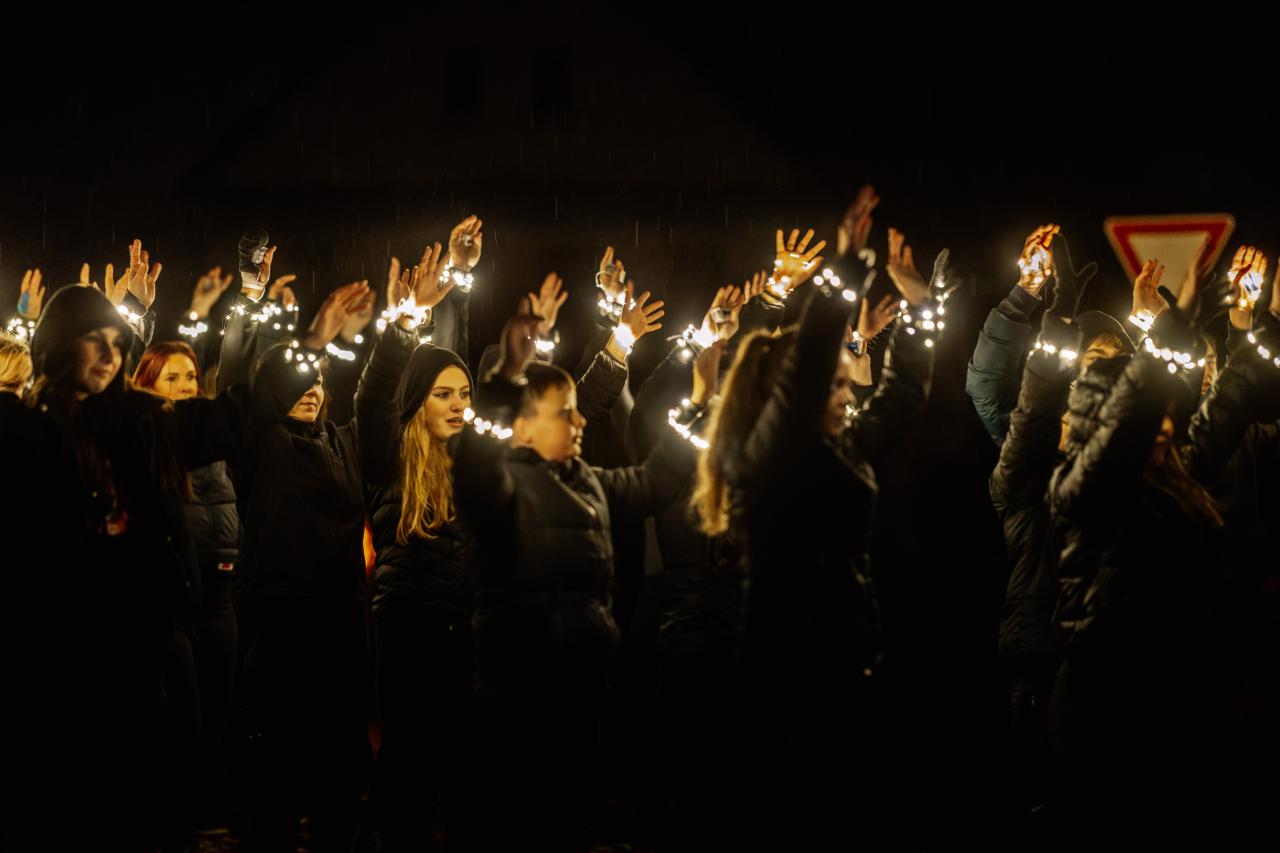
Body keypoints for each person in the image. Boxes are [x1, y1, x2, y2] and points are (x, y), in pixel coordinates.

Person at [693, 224, 938, 846]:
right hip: (788, 685)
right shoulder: (764, 457)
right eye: (834, 385)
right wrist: (846, 269)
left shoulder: (840, 449)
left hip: (846, 666)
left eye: (844, 385)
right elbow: (803, 377)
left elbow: (902, 398)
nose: (844, 397)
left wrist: (919, 309)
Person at [453, 299, 717, 850]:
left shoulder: (585, 479)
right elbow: (474, 460)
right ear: (523, 428)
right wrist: (506, 377)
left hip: (582, 685)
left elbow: (653, 482)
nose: (579, 422)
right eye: (565, 413)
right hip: (523, 694)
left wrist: (697, 401)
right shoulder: (500, 488)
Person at [220, 242, 450, 851]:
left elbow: (377, 395)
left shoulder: (347, 443)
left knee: (338, 785)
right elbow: (241, 378)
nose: (313, 388)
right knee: (273, 781)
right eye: (300, 380)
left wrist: (405, 324)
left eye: (320, 381)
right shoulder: (259, 444)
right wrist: (250, 296)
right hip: (278, 629)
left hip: (341, 630)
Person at [133, 340, 241, 838]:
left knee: (218, 710)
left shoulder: (212, 444)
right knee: (179, 717)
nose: (184, 387)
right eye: (171, 378)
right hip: (170, 603)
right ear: (147, 384)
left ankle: (206, 816)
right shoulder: (143, 443)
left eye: (191, 378)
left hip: (218, 596)